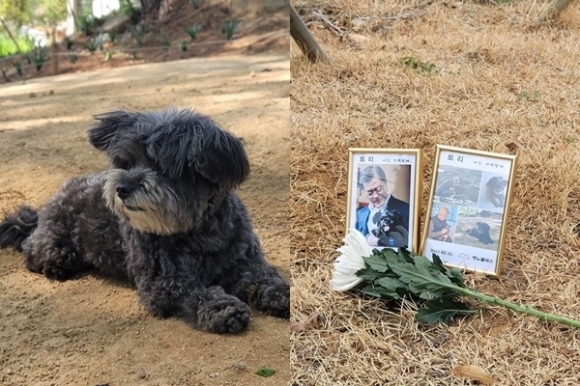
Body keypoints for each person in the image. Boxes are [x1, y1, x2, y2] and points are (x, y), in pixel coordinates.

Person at [355, 165, 410, 247]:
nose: (376, 196)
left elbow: (407, 243)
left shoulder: (406, 210)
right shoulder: (359, 213)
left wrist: (380, 241)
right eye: (370, 192)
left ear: (385, 183)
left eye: (379, 189)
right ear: (364, 192)